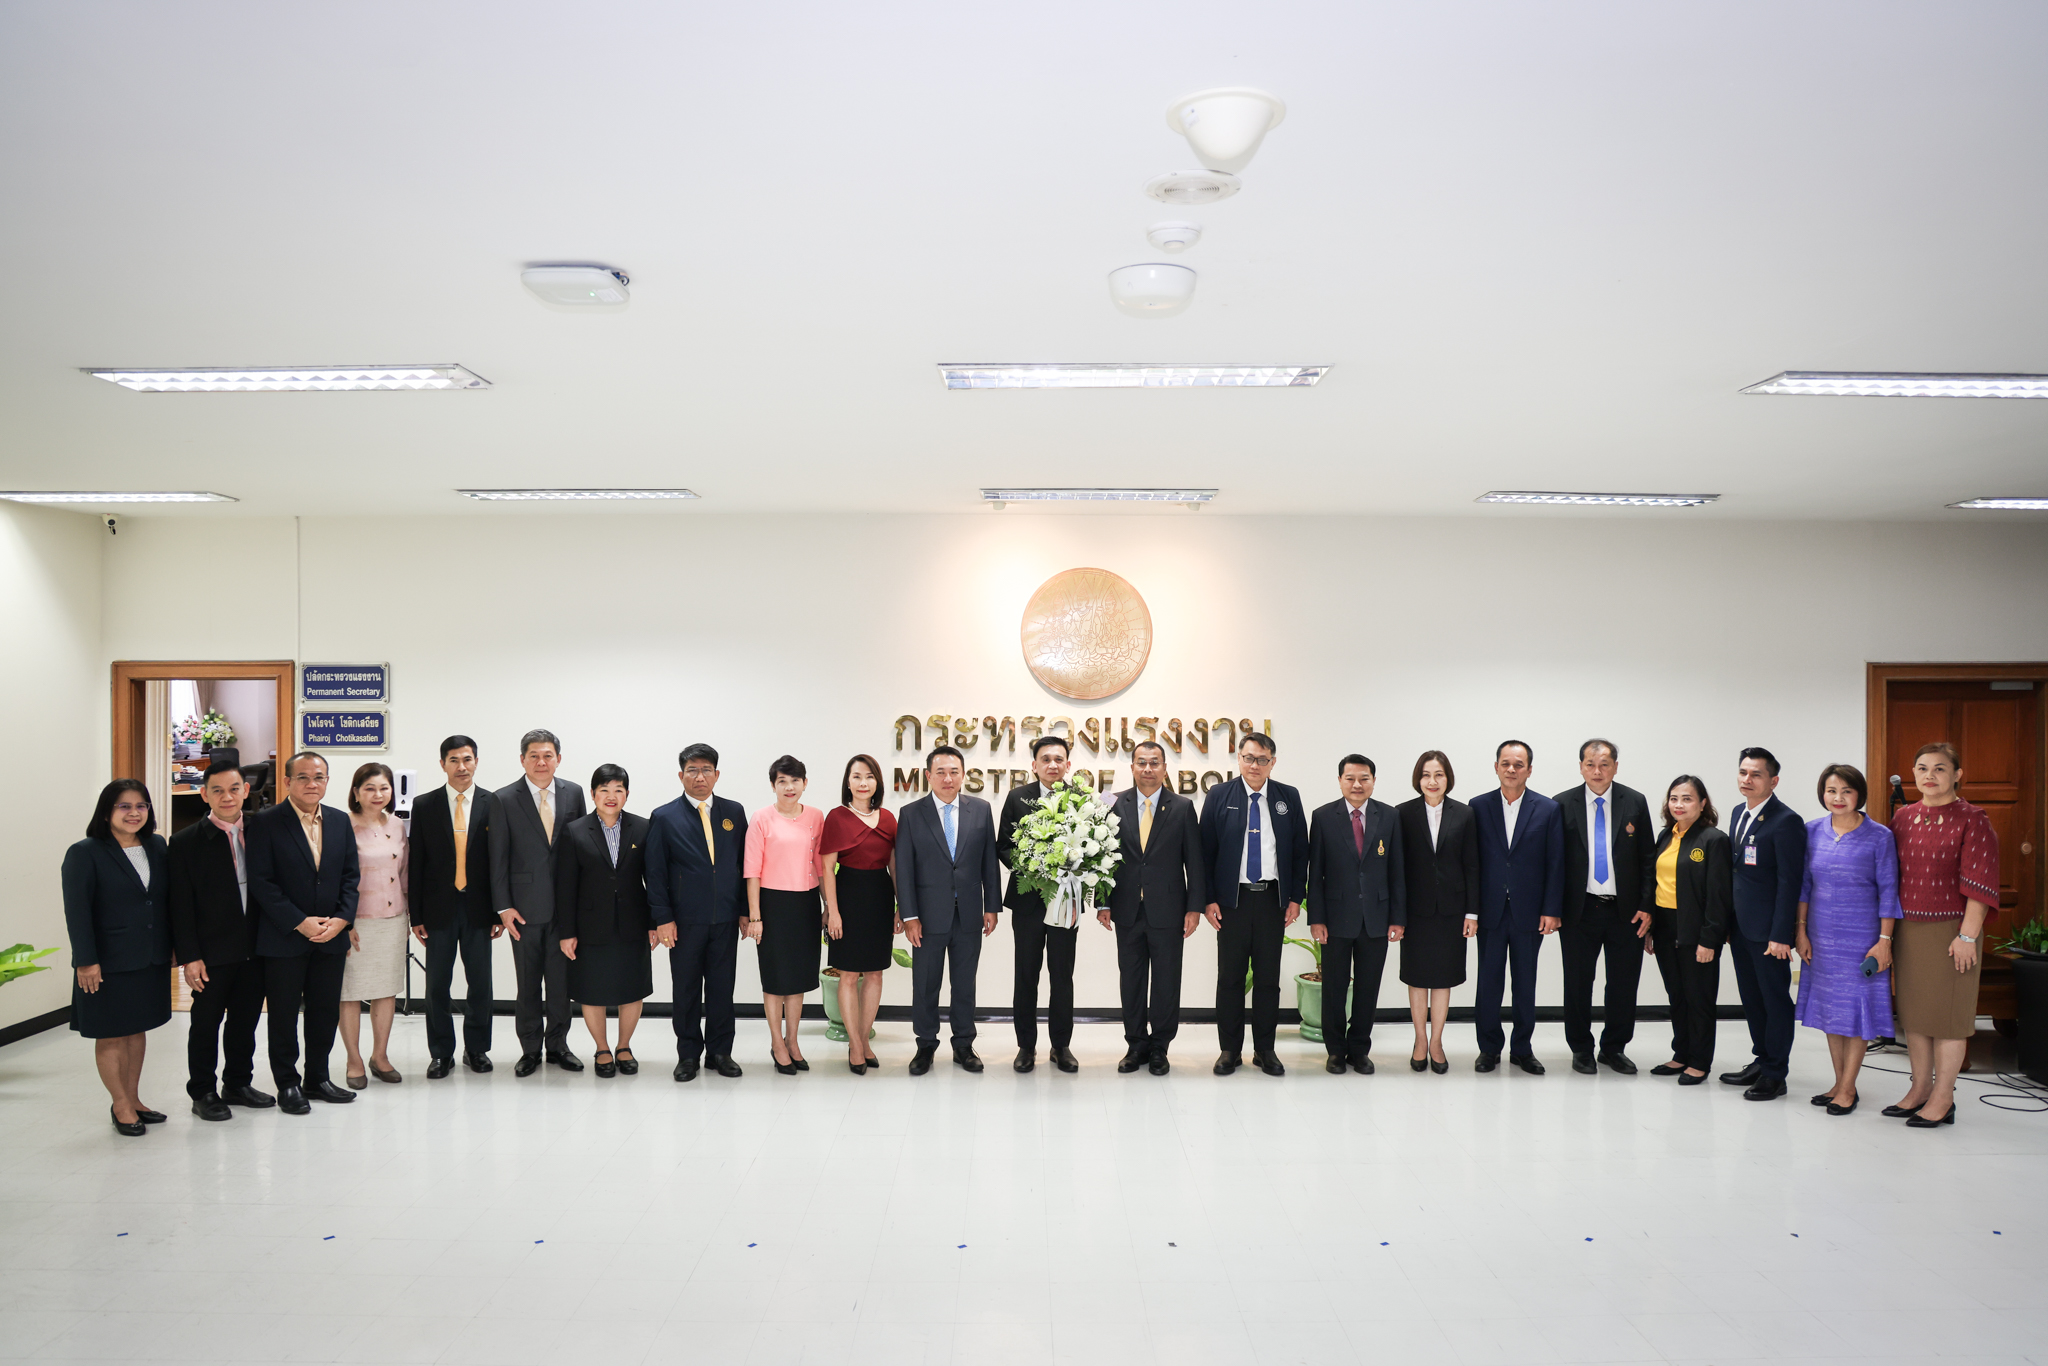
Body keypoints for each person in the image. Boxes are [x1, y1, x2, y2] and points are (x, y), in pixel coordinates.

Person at [1885, 742, 2000, 1128]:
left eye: (1939, 768)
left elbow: (1980, 883)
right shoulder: (1903, 818)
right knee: (1915, 1016)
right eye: (1922, 768)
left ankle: (1943, 1097)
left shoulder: (1973, 819)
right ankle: (1919, 1089)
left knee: (1949, 1019)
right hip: (1909, 930)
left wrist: (1967, 937)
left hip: (1953, 932)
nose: (1929, 776)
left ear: (1957, 774)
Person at [248, 752, 361, 1115]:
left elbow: (350, 877)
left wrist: (342, 920)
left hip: (331, 936)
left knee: (324, 1012)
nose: (313, 784)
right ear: (287, 782)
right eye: (303, 777)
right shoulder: (265, 823)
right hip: (284, 937)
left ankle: (317, 1078)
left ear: (327, 781)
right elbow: (262, 883)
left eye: (319, 777)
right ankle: (288, 1083)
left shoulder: (340, 821)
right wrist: (300, 922)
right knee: (283, 1015)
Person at [63, 779, 173, 1135]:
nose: (133, 813)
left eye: (141, 805)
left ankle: (134, 1098)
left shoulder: (156, 845)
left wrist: (173, 945)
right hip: (107, 961)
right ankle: (120, 1104)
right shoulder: (85, 852)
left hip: (149, 956)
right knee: (111, 1034)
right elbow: (77, 912)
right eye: (124, 806)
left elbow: (163, 901)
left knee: (136, 1029)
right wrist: (85, 960)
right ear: (106, 811)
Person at [168, 760, 275, 1120]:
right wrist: (190, 956)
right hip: (211, 952)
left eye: (233, 789)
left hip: (255, 947)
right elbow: (180, 905)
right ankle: (202, 1091)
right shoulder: (185, 842)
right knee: (205, 1023)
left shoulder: (263, 830)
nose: (227, 797)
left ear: (246, 790)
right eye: (217, 790)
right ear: (204, 795)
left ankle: (238, 1084)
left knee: (245, 1021)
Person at [1200, 732, 1310, 1077]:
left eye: (1262, 759)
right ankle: (1229, 1050)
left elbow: (1300, 852)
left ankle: (1265, 1049)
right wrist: (1208, 899)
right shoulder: (1219, 795)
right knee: (1230, 979)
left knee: (1267, 979)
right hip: (1231, 902)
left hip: (1272, 901)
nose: (1254, 765)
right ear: (1239, 758)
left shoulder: (1288, 797)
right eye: (1248, 758)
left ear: (1272, 762)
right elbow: (1205, 853)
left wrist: (1296, 898)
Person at [1794, 764, 1899, 1116]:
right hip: (1821, 936)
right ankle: (1839, 1082)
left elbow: (1888, 892)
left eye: (1846, 791)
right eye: (1831, 790)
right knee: (1832, 1010)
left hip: (1863, 938)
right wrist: (1801, 930)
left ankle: (1849, 1087)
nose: (1838, 798)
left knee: (1856, 1010)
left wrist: (1884, 940)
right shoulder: (1811, 831)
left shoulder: (1880, 836)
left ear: (1859, 795)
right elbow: (1804, 887)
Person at [896, 745, 1002, 1075]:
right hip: (927, 917)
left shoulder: (981, 810)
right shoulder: (911, 813)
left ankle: (964, 1045)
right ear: (928, 776)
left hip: (969, 914)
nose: (947, 778)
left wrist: (992, 906)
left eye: (954, 771)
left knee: (964, 984)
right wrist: (909, 915)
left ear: (963, 775)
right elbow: (904, 869)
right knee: (925, 984)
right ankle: (925, 1045)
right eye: (940, 772)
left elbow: (989, 862)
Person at [1100, 741, 1204, 1075]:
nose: (1148, 768)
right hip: (1126, 909)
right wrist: (1103, 901)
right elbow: (1101, 857)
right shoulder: (1111, 803)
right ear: (1132, 767)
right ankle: (1135, 1045)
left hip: (1169, 910)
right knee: (1130, 980)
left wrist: (1194, 908)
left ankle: (1160, 1047)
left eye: (1154, 762)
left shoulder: (1182, 807)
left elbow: (1195, 862)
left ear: (1164, 768)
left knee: (1166, 981)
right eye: (1141, 762)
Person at [1554, 739, 1657, 1075]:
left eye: (1604, 764)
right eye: (1590, 764)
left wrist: (1647, 905)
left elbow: (1648, 859)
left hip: (1626, 912)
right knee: (1578, 983)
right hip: (1579, 911)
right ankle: (1581, 1049)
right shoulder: (1561, 804)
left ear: (1615, 767)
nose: (1597, 771)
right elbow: (1553, 863)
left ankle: (1614, 1048)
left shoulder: (1635, 802)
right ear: (1581, 767)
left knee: (1623, 984)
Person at [647, 743, 749, 1082]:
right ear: (681, 776)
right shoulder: (664, 816)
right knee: (686, 990)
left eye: (706, 770)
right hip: (684, 921)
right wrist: (663, 918)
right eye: (692, 770)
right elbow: (655, 873)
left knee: (722, 988)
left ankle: (721, 1053)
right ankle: (688, 1054)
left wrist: (745, 910)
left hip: (725, 918)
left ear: (716, 775)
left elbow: (743, 865)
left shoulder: (734, 812)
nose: (699, 777)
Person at [490, 728, 587, 1076]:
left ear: (558, 759)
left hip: (564, 908)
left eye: (548, 755)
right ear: (522, 760)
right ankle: (530, 1049)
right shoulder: (503, 798)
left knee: (561, 985)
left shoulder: (574, 792)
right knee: (528, 984)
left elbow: (582, 848)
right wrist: (503, 908)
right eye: (534, 756)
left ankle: (558, 1046)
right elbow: (497, 857)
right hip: (523, 909)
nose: (541, 762)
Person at [1468, 740, 1565, 1074]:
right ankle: (1489, 1049)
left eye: (1519, 764)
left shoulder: (1548, 809)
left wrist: (1551, 909)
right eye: (1505, 763)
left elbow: (1555, 863)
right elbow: (1472, 863)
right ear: (1496, 767)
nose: (1511, 769)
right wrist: (1471, 911)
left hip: (1530, 912)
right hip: (1490, 911)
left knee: (1525, 984)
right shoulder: (1478, 806)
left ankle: (1522, 1049)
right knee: (1488, 983)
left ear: (1529, 770)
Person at [1305, 754, 1406, 1075]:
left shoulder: (1389, 816)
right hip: (1335, 918)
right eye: (1350, 778)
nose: (1357, 784)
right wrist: (1316, 918)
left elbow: (1397, 870)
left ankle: (1360, 1049)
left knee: (1368, 988)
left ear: (1374, 781)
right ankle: (1335, 1051)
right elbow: (1315, 873)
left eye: (1364, 778)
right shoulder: (1323, 816)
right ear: (1340, 781)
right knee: (1334, 988)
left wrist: (1398, 917)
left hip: (1377, 918)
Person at [1717, 747, 1807, 1102]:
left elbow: (1789, 882)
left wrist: (1781, 934)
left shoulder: (1786, 821)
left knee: (1774, 1000)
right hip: (1741, 927)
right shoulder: (1738, 812)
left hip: (1770, 933)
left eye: (1756, 774)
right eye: (1743, 772)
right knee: (1752, 999)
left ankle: (1775, 1073)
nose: (1747, 779)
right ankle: (1761, 1059)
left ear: (1774, 781)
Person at [409, 735, 500, 1078]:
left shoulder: (494, 803)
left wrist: (499, 910)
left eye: (467, 759)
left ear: (476, 761)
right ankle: (441, 1053)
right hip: (438, 910)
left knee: (480, 984)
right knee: (436, 985)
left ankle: (476, 1049)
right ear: (442, 764)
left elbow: (499, 862)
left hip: (480, 909)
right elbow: (416, 863)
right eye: (453, 760)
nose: (461, 767)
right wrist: (416, 915)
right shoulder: (425, 805)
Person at [556, 764, 653, 1078]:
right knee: (591, 989)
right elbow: (566, 886)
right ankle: (602, 1048)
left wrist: (654, 922)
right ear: (593, 793)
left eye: (618, 790)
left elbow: (653, 880)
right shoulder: (574, 830)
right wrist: (567, 932)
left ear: (627, 793)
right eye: (604, 790)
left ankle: (624, 1046)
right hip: (590, 925)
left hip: (633, 922)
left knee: (632, 987)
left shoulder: (643, 827)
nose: (611, 796)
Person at [999, 735, 1082, 1073]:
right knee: (1026, 975)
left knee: (1062, 976)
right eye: (1045, 759)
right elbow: (1003, 845)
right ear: (1034, 765)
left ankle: (1061, 1046)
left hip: (1066, 901)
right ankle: (1026, 1046)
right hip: (1028, 902)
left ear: (1068, 765)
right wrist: (1033, 867)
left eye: (1058, 759)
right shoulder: (1017, 797)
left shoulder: (1081, 800)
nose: (1052, 765)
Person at [744, 756, 826, 1076]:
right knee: (776, 978)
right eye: (782, 781)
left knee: (798, 977)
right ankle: (777, 1042)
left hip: (806, 903)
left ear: (805, 783)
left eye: (795, 780)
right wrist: (755, 916)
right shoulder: (761, 818)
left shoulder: (816, 816)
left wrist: (828, 906)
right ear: (773, 785)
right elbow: (752, 871)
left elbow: (821, 866)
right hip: (772, 904)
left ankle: (793, 1041)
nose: (789, 787)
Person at [1646, 776, 1731, 1085]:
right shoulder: (1665, 836)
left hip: (1697, 931)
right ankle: (1681, 1053)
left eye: (1687, 799)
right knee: (1677, 995)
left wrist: (1710, 939)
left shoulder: (1713, 839)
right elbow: (1656, 883)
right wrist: (1651, 928)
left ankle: (1699, 1061)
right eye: (1674, 799)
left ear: (1702, 803)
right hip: (1665, 927)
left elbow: (1719, 895)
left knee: (1699, 998)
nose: (1679, 805)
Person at [1397, 751, 1477, 1074]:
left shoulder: (1465, 814)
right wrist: (1397, 915)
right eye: (1426, 775)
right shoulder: (1402, 813)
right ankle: (1419, 1040)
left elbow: (1472, 866)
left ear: (1448, 779)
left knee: (1443, 978)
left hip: (1452, 911)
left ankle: (1437, 1043)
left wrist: (1472, 913)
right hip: (1415, 912)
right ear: (1418, 779)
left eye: (1439, 775)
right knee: (1417, 978)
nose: (1432, 781)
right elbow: (1397, 869)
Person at [821, 755, 897, 1074]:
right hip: (848, 896)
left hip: (880, 897)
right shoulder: (837, 817)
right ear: (848, 782)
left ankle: (864, 1040)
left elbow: (894, 865)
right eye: (856, 776)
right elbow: (827, 868)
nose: (863, 782)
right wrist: (833, 912)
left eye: (869, 776)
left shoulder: (888, 818)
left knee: (875, 973)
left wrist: (900, 908)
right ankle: (854, 1044)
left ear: (877, 782)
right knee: (849, 974)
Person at [339, 762, 409, 1088]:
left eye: (384, 788)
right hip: (356, 922)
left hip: (393, 920)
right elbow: (336, 877)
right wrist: (343, 921)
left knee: (386, 988)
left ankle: (379, 1056)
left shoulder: (397, 824)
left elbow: (404, 873)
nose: (378, 794)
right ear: (356, 792)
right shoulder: (343, 826)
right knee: (350, 992)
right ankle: (353, 1060)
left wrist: (409, 916)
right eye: (369, 788)